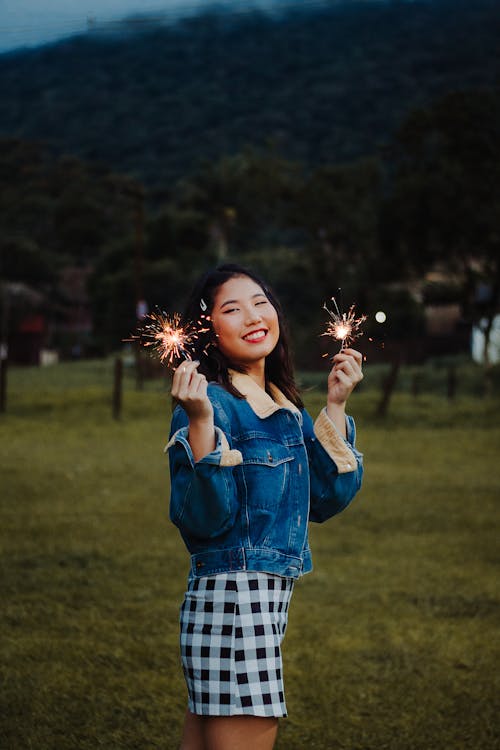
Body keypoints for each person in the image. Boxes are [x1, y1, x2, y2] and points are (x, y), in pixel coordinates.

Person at [166, 263, 364, 750]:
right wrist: (198, 424)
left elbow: (322, 500)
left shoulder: (283, 406)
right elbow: (204, 520)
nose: (253, 315)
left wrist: (335, 405)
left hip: (254, 605)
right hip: (235, 603)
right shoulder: (213, 404)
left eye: (260, 302)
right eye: (231, 309)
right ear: (206, 331)